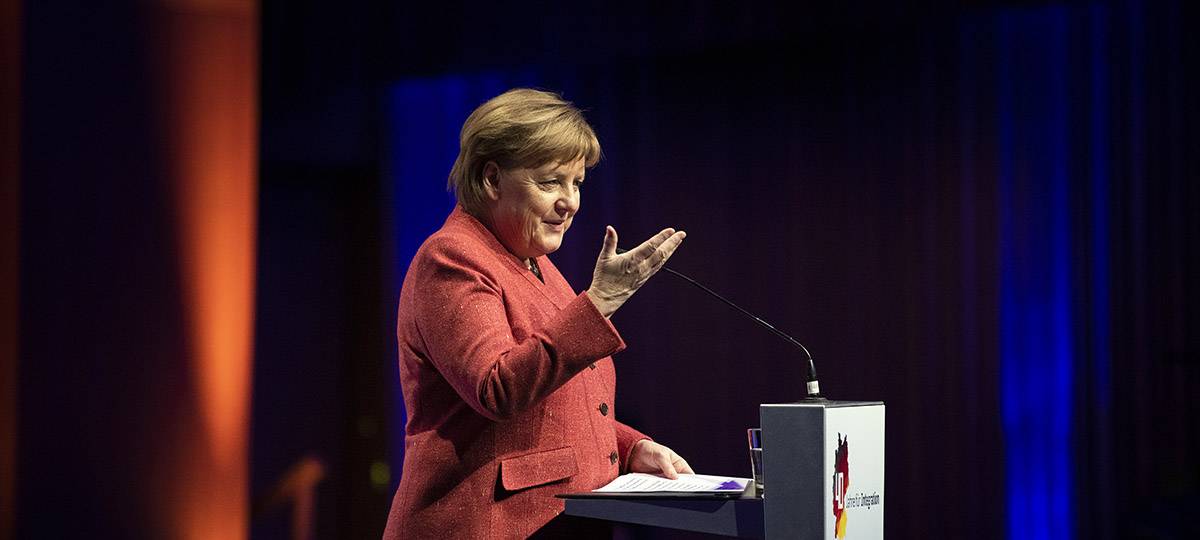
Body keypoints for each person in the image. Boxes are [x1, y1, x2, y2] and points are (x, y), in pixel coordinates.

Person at [383, 88, 691, 539]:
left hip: (562, 521)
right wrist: (598, 303)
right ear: (492, 179)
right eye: (551, 183)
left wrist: (630, 446)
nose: (571, 202)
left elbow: (560, 406)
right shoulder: (451, 259)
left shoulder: (535, 262)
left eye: (578, 183)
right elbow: (498, 389)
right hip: (487, 525)